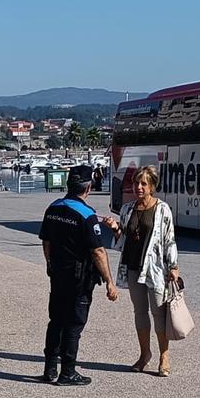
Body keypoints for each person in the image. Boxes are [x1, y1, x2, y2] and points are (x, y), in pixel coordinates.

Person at [39, 165, 119, 386]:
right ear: (88, 187)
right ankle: (68, 372)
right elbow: (98, 251)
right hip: (79, 278)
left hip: (57, 274)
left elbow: (46, 241)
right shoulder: (86, 215)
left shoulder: (52, 208)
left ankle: (50, 368)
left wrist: (49, 264)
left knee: (55, 321)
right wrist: (110, 282)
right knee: (74, 324)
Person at [103, 166, 180, 377]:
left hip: (155, 268)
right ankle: (145, 354)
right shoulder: (128, 209)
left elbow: (169, 238)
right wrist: (115, 228)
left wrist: (173, 265)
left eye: (143, 184)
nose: (138, 187)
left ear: (152, 186)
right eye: (136, 183)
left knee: (159, 312)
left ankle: (164, 355)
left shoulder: (162, 209)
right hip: (133, 266)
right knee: (139, 312)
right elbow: (124, 239)